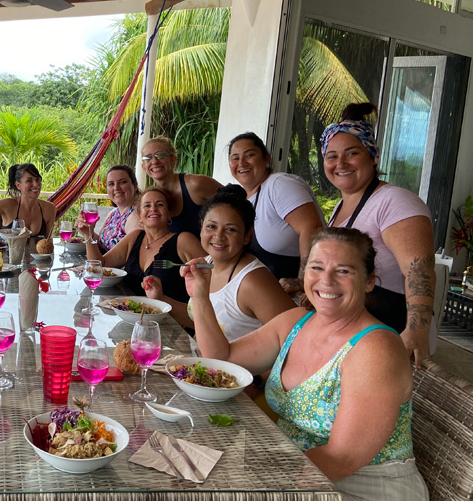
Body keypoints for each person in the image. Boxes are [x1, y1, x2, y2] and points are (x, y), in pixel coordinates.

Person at [183, 227, 428, 501]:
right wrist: (200, 295)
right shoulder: (295, 322)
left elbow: (342, 458)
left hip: (364, 484)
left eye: (343, 271)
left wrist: (255, 480)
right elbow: (223, 360)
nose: (326, 280)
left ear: (369, 280)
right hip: (296, 467)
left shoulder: (375, 349)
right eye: (317, 267)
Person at [320, 103, 434, 367]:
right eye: (331, 156)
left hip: (390, 336)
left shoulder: (394, 201)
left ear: (372, 156)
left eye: (352, 153)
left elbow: (420, 270)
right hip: (353, 334)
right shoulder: (340, 207)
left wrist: (416, 331)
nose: (340, 164)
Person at [80, 187, 204, 328]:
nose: (153, 209)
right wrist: (88, 234)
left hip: (173, 329)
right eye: (147, 205)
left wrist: (162, 299)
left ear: (169, 213)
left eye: (160, 205)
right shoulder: (135, 237)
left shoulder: (183, 241)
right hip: (132, 325)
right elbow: (98, 267)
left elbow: (215, 285)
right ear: (139, 215)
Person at [192, 185, 295, 341]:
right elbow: (205, 322)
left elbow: (295, 336)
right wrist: (162, 298)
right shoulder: (207, 262)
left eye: (230, 229)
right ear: (201, 228)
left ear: (247, 235)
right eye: (211, 226)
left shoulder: (252, 281)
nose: (218, 236)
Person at [228, 132, 325, 280]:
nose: (241, 163)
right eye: (235, 158)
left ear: (266, 158)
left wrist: (304, 279)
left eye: (249, 155)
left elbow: (312, 229)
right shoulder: (244, 200)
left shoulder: (278, 184)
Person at [140, 136, 222, 238]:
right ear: (143, 167)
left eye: (160, 155)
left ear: (173, 160)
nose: (154, 161)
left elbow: (235, 199)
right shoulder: (151, 199)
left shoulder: (195, 184)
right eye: (148, 158)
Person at [0, 163, 56, 238]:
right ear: (18, 185)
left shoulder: (49, 208)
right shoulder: (8, 205)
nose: (36, 184)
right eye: (29, 180)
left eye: (37, 179)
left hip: (36, 254)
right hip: (8, 253)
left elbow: (47, 241)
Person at [93, 165, 141, 252]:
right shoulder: (113, 213)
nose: (116, 188)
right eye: (111, 184)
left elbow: (130, 255)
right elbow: (101, 244)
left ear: (134, 185)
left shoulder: (137, 215)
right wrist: (88, 232)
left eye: (122, 182)